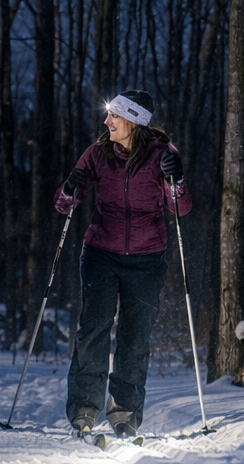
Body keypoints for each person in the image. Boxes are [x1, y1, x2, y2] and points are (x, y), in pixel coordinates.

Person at [55, 90, 191, 439]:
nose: (107, 121)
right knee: (94, 330)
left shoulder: (163, 155)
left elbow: (181, 209)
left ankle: (125, 414)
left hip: (147, 259)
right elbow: (63, 205)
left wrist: (177, 181)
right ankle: (84, 410)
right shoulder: (98, 153)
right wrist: (71, 187)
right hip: (101, 253)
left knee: (135, 336)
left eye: (114, 116)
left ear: (133, 121)